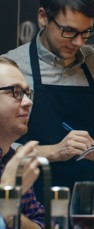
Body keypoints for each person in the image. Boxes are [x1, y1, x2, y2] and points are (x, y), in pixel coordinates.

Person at [3, 0, 94, 198]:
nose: (79, 42)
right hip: (28, 201)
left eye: (86, 32)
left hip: (89, 202)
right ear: (43, 17)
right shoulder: (12, 66)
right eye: (69, 31)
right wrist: (53, 151)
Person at [0, 56, 44, 228]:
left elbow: (40, 221)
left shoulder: (13, 160)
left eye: (26, 93)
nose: (28, 102)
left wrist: (12, 217)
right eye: (15, 92)